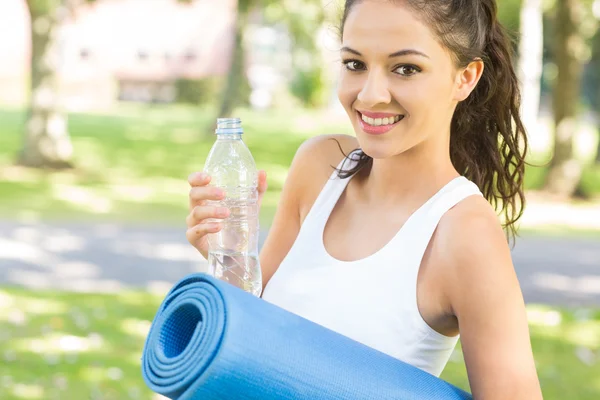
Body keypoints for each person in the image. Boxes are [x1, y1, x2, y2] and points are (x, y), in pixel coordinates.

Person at [186, 0, 543, 398]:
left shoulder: (463, 232)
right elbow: (257, 337)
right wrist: (230, 254)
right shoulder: (319, 168)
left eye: (406, 68)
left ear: (466, 78)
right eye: (355, 64)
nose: (371, 96)